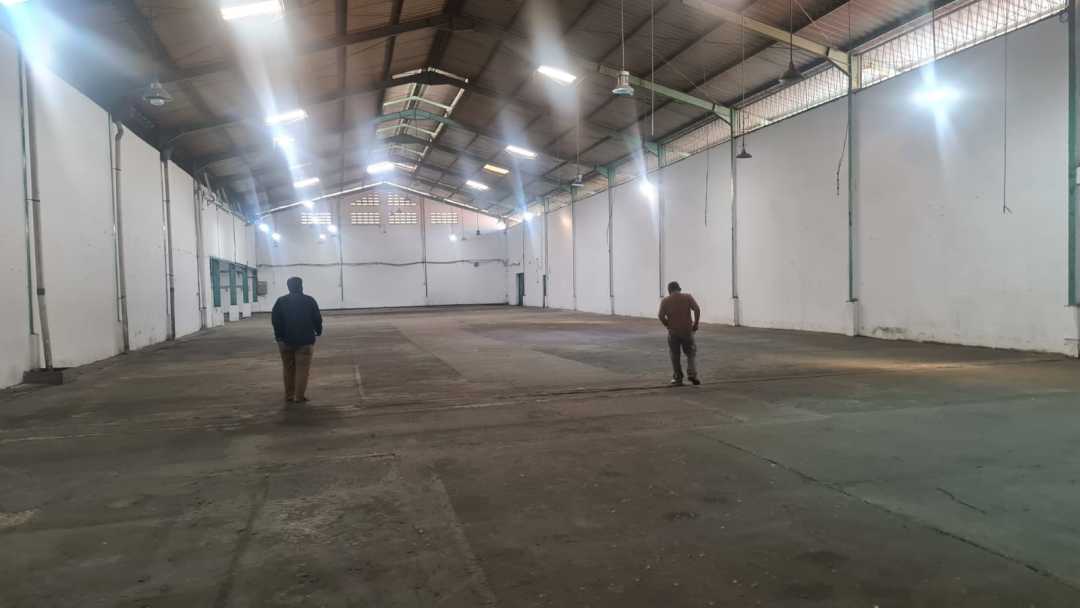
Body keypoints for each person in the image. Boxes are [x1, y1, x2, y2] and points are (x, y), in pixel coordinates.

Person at [271, 277, 323, 404]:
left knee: (288, 369)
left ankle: (289, 395)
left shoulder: (280, 301)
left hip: (285, 341)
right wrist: (318, 330)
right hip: (305, 341)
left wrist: (279, 337)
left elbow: (275, 321)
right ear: (301, 286)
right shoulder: (309, 300)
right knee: (302, 369)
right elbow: (317, 318)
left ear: (288, 287)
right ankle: (299, 396)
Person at [658, 281, 701, 386]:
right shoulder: (687, 297)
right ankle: (692, 374)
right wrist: (695, 324)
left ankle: (678, 378)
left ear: (669, 291)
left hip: (673, 332)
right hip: (687, 331)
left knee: (675, 355)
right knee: (690, 353)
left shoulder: (665, 301)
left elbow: (660, 315)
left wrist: (668, 325)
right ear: (679, 289)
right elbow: (697, 309)